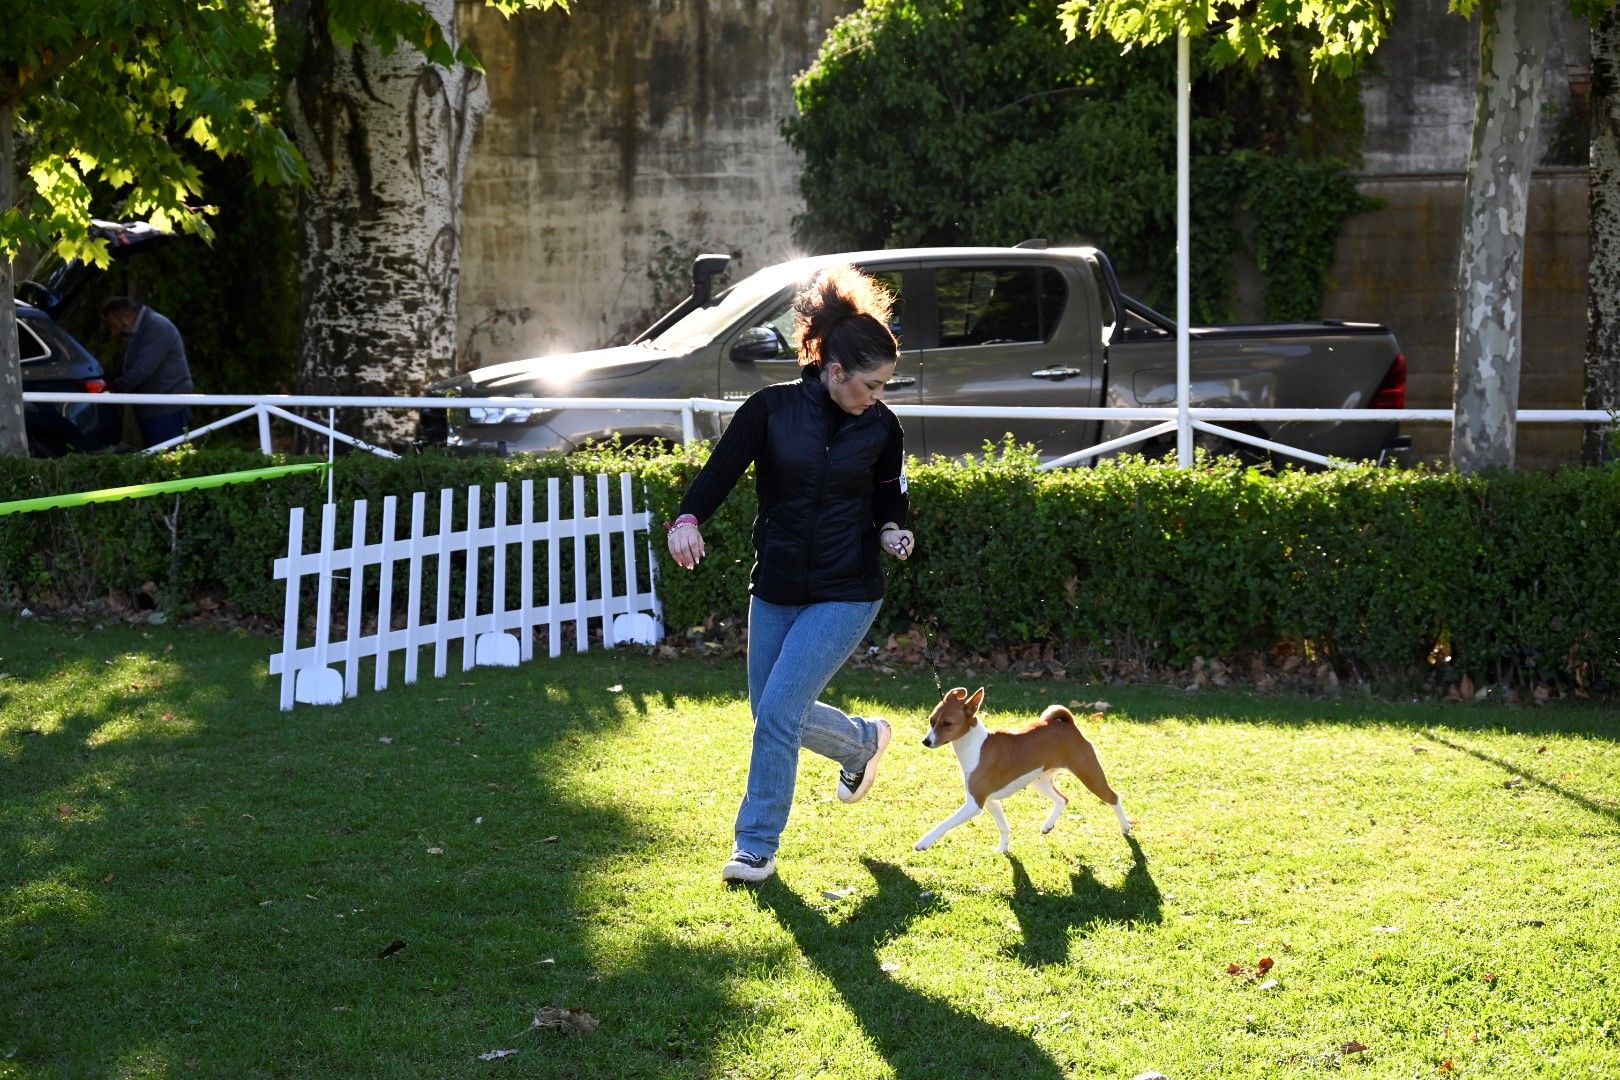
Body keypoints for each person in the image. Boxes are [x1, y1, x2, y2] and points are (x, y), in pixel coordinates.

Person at [667, 265, 917, 884]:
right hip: (776, 585)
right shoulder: (771, 410)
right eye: (871, 385)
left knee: (779, 712)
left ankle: (755, 846)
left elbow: (890, 496)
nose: (877, 396)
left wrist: (893, 529)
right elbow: (719, 471)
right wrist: (687, 519)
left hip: (848, 589)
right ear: (835, 372)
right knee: (772, 710)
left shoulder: (883, 428)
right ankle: (861, 744)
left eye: (885, 386)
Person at [100, 296, 194, 449]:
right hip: (154, 408)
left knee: (168, 458)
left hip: (166, 407)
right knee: (160, 456)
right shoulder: (140, 330)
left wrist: (114, 387)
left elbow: (142, 370)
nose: (112, 330)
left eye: (111, 324)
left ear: (124, 317)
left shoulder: (156, 327)